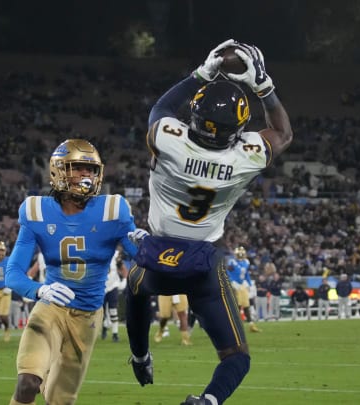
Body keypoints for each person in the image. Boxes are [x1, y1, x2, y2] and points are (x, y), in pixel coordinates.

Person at [125, 39, 293, 405]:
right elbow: (281, 134)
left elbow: (161, 109)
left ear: (196, 116)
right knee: (237, 357)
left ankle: (140, 356)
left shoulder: (169, 141)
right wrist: (264, 86)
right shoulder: (243, 157)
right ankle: (209, 401)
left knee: (135, 287)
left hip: (158, 257)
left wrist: (199, 75)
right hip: (204, 263)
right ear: (238, 126)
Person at [4, 139, 139, 405]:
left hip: (87, 316)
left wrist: (149, 245)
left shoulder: (113, 210)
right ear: (58, 171)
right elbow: (14, 272)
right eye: (77, 168)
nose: (85, 175)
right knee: (27, 382)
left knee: (59, 400)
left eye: (90, 169)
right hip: (50, 307)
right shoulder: (36, 211)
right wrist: (40, 289)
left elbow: (141, 257)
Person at [227, 246, 261, 332]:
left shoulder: (246, 262)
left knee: (246, 305)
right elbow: (227, 272)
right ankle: (235, 326)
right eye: (239, 254)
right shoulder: (232, 262)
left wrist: (249, 283)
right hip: (235, 285)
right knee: (236, 306)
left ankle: (251, 325)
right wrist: (232, 282)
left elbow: (246, 274)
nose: (241, 255)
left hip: (242, 285)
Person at [102, 249, 127, 342]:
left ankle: (115, 334)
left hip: (113, 285)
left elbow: (122, 268)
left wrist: (124, 280)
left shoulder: (115, 254)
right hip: (101, 286)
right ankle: (104, 327)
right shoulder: (98, 252)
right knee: (102, 311)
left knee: (113, 310)